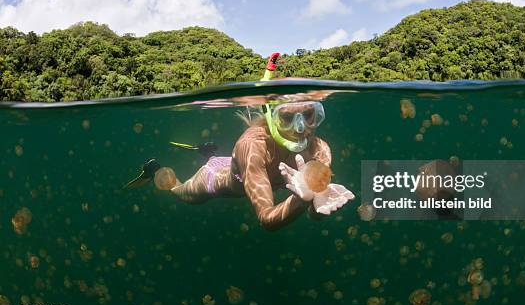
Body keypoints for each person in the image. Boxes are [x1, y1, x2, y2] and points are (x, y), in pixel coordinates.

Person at [125, 53, 354, 231]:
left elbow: (315, 212)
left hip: (234, 164)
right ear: (271, 116)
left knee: (227, 161)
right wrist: (299, 201)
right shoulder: (252, 146)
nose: (300, 128)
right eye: (286, 117)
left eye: (308, 115)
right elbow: (266, 218)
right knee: (180, 192)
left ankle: (209, 154)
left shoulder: (320, 149)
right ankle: (155, 168)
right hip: (214, 178)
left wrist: (317, 205)